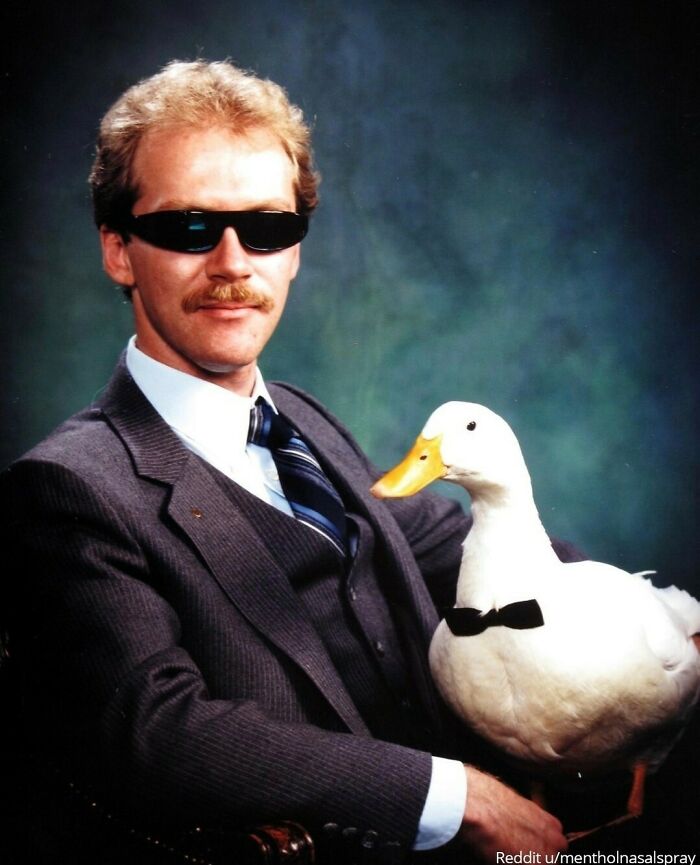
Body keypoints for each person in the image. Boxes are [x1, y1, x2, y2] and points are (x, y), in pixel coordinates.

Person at [0, 60, 573, 864]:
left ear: (294, 252)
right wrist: (452, 796)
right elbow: (162, 729)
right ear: (119, 250)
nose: (235, 264)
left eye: (266, 228)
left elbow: (448, 539)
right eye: (189, 228)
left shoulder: (303, 418)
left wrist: (662, 622)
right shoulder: (67, 487)